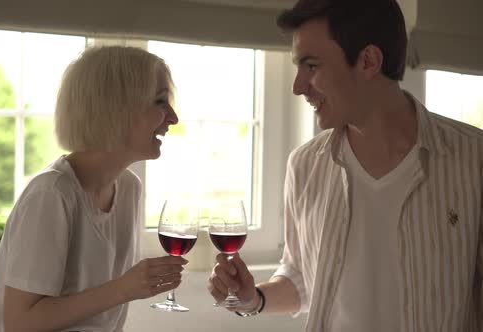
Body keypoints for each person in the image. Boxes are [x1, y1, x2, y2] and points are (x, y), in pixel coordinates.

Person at [207, 0, 483, 331]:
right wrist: (252, 299)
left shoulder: (473, 160)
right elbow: (302, 277)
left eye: (311, 66)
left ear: (368, 61)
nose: (297, 86)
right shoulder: (305, 165)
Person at [0, 45, 186, 332]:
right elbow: (20, 323)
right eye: (160, 102)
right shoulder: (52, 194)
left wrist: (125, 288)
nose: (173, 117)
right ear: (117, 109)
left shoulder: (129, 188)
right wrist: (123, 289)